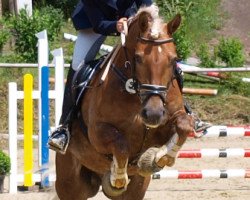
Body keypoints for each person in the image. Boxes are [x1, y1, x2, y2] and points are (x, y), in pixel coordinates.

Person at [48, 0, 211, 154]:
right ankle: (65, 126)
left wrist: (149, 23)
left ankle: (187, 111)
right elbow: (99, 24)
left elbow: (148, 4)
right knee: (78, 66)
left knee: (160, 61)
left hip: (134, 23)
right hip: (94, 25)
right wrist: (116, 25)